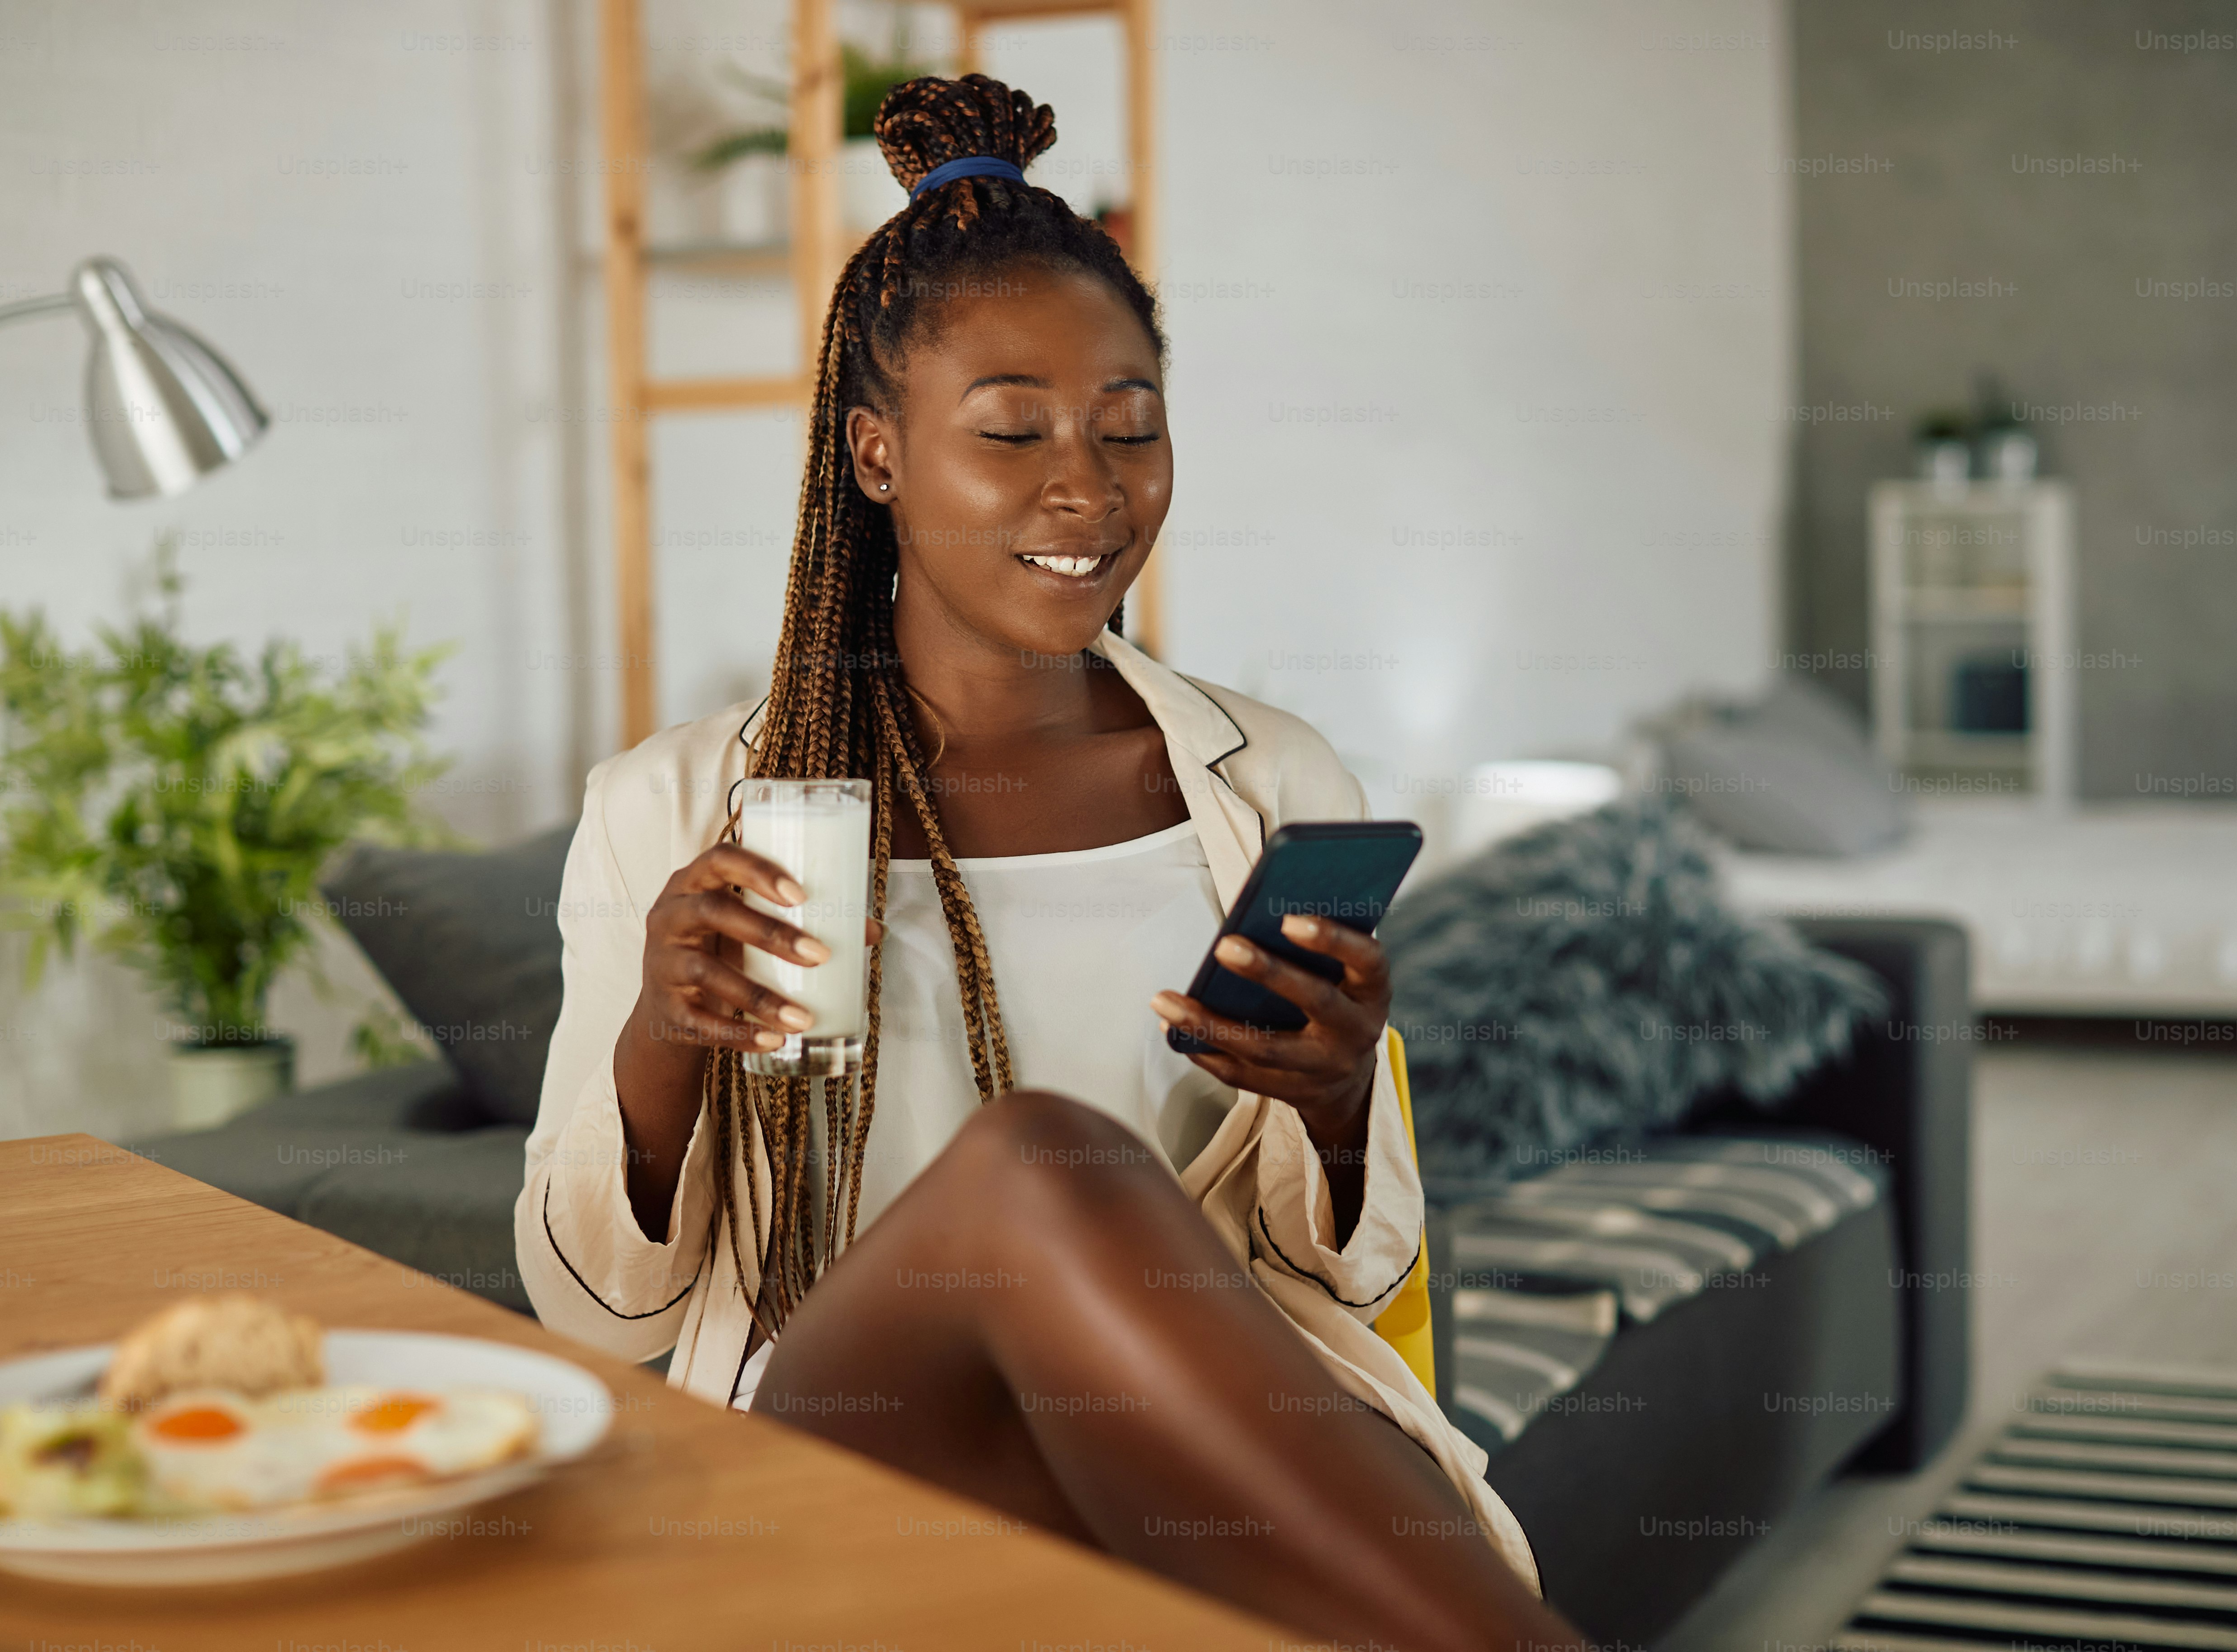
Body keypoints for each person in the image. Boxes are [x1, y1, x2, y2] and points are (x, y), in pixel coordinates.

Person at [516, 73, 1585, 1652]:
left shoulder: (1267, 784)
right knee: (1044, 1166)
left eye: (1130, 428)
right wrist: (665, 1040)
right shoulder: (679, 812)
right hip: (854, 1445)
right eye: (1011, 431)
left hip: (1169, 1452)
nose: (1086, 486)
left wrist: (1344, 1109)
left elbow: (1352, 1288)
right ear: (876, 457)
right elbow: (595, 1312)